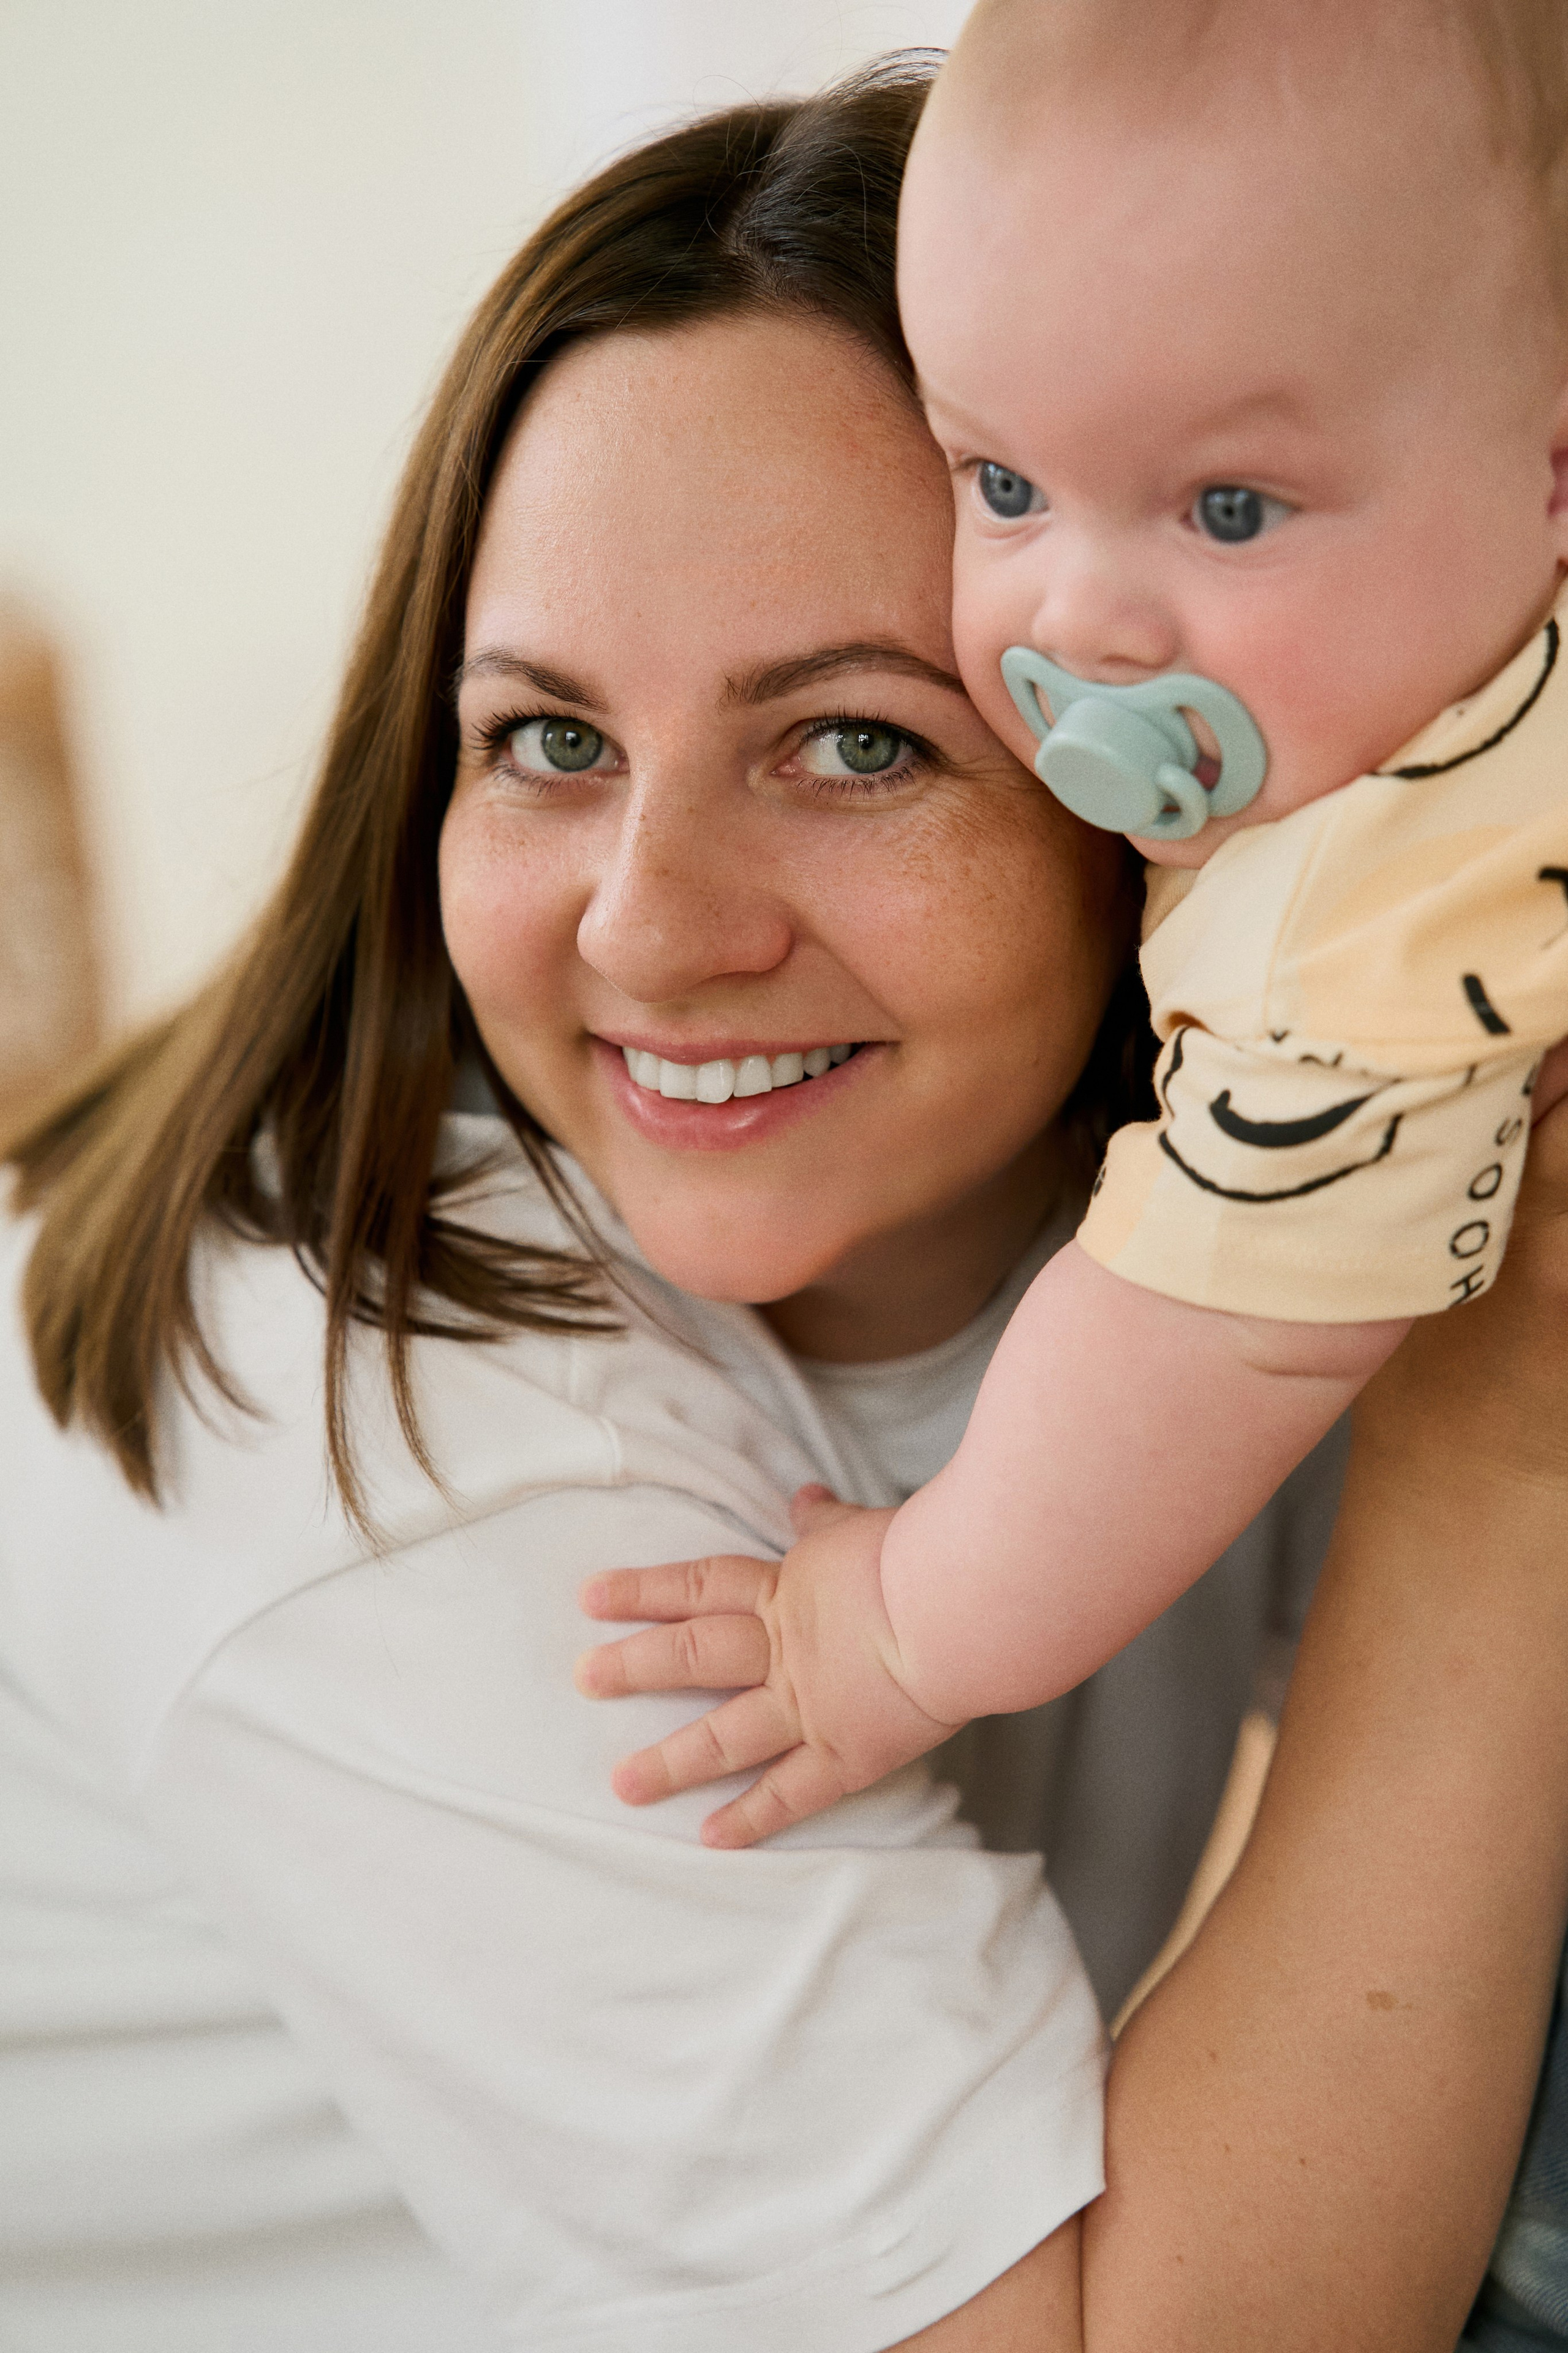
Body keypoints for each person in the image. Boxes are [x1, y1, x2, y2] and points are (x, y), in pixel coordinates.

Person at [2, 58, 1567, 2353]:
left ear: (1179, 810)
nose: (650, 924)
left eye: (854, 742)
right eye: (548, 739)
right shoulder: (382, 1464)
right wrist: (1513, 1402)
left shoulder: (1222, 1131)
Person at [583, 0, 1568, 1856]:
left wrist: (901, 1619)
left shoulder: (1385, 894)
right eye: (1005, 485)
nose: (1085, 616)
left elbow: (1204, 1336)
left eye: (1229, 504)